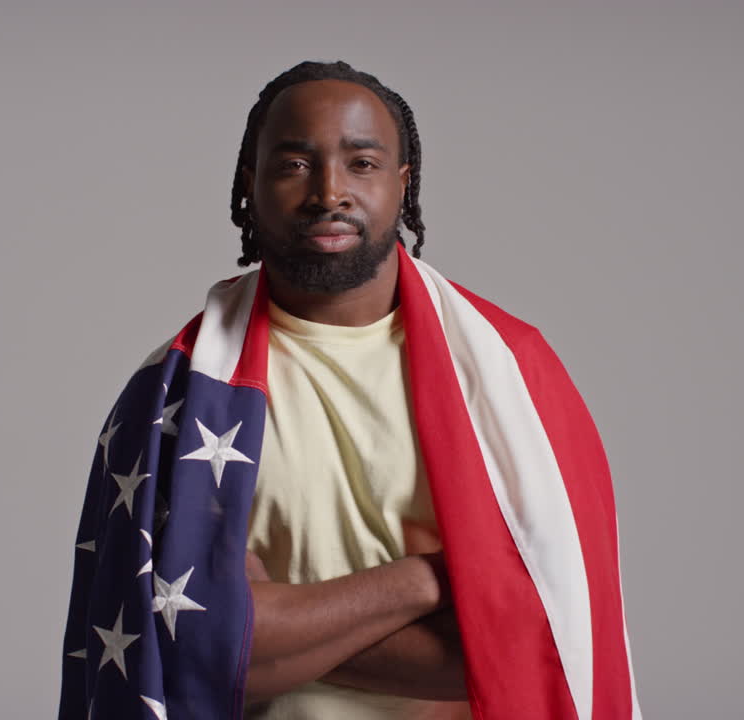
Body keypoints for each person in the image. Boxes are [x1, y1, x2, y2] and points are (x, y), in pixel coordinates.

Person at [59, 60, 642, 720]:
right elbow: (188, 648)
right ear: (250, 185)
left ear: (402, 183)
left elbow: (539, 646)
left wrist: (277, 623)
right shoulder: (178, 391)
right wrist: (432, 580)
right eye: (295, 164)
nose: (329, 191)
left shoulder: (516, 375)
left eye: (361, 163)